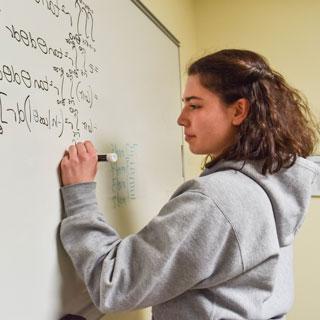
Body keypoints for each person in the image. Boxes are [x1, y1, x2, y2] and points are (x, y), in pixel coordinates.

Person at [59, 49, 320, 320]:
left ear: (239, 110)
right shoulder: (270, 188)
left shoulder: (217, 201)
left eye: (195, 105)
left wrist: (80, 195)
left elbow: (114, 283)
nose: (181, 118)